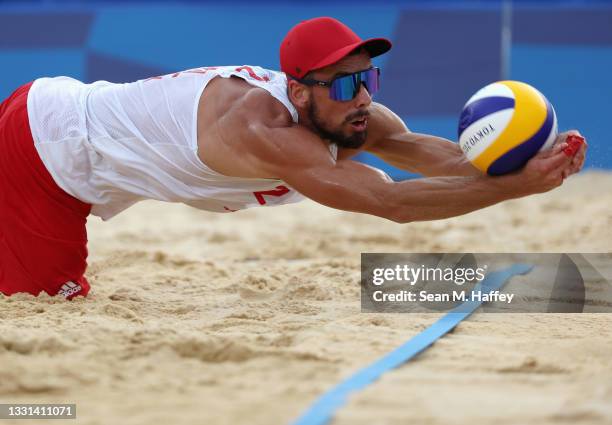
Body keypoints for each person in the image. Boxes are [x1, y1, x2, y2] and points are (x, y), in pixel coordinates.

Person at [0, 17, 586, 300]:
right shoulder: (262, 127)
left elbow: (430, 155)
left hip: (85, 145)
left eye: (367, 79)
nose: (360, 97)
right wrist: (516, 189)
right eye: (341, 85)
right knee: (47, 303)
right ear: (298, 91)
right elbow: (391, 202)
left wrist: (528, 161)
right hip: (44, 150)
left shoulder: (350, 112)